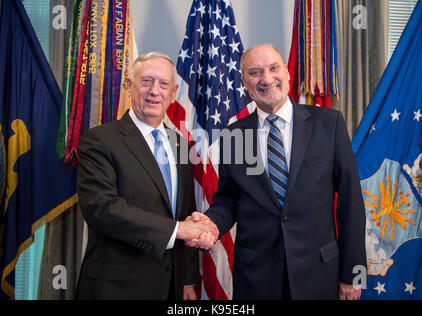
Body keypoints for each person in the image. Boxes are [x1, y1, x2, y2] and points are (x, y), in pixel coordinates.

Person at [191, 44, 367, 300]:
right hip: (256, 278)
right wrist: (212, 224)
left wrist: (354, 274)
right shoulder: (233, 136)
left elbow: (351, 203)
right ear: (244, 82)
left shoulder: (329, 124)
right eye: (255, 72)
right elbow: (228, 200)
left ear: (286, 71)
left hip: (319, 274)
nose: (266, 79)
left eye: (273, 68)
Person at [75, 52, 217, 300]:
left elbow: (185, 211)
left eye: (163, 84)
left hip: (171, 286)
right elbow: (102, 209)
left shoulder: (180, 146)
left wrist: (188, 280)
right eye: (146, 81)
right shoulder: (99, 141)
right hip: (116, 289)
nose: (154, 91)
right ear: (129, 86)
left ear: (173, 94)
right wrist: (180, 230)